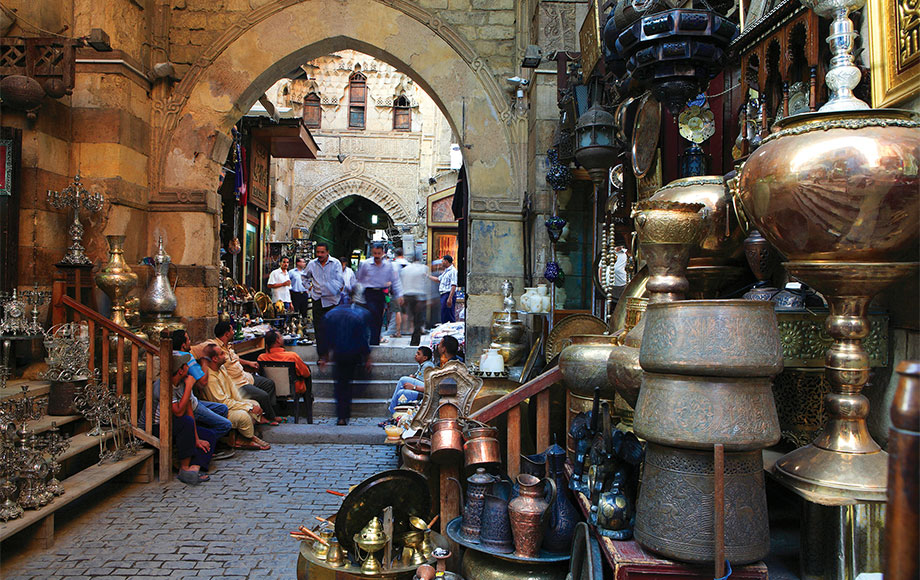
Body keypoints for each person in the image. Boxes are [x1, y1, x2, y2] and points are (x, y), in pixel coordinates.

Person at [197, 320, 279, 424]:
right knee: (263, 395)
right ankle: (270, 417)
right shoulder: (214, 346)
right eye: (232, 330)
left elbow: (234, 358)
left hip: (245, 376)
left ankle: (268, 412)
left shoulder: (229, 346)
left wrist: (248, 363)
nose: (234, 332)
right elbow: (195, 349)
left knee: (269, 384)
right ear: (227, 333)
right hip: (237, 383)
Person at [154, 353, 218, 485]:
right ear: (180, 370)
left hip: (176, 424)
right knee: (185, 423)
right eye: (186, 366)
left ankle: (194, 468)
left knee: (209, 435)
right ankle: (184, 467)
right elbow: (178, 412)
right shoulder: (163, 386)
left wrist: (196, 439)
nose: (189, 367)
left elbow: (189, 412)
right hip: (157, 426)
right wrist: (189, 386)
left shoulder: (183, 383)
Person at [170, 330, 233, 451]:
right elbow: (202, 382)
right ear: (183, 345)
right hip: (190, 403)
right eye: (188, 340)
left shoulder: (171, 354)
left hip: (190, 400)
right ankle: (206, 443)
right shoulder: (186, 358)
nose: (190, 342)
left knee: (222, 409)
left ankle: (211, 440)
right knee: (225, 425)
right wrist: (204, 362)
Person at [199, 348, 271, 450]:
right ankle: (247, 439)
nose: (225, 355)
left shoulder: (221, 368)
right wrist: (248, 408)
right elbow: (222, 403)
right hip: (220, 410)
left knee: (255, 404)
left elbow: (233, 390)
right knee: (243, 416)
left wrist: (247, 405)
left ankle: (242, 436)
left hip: (231, 403)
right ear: (215, 359)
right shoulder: (211, 378)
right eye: (222, 354)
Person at [324, 284, 372, 425]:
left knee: (340, 384)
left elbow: (327, 337)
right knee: (347, 384)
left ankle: (341, 416)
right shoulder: (360, 314)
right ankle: (345, 413)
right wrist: (367, 356)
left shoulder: (332, 314)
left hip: (339, 353)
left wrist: (325, 354)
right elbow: (363, 338)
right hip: (353, 353)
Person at [257, 330, 313, 419]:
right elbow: (306, 373)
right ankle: (308, 401)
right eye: (281, 336)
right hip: (293, 389)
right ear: (277, 340)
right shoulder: (292, 356)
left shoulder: (261, 358)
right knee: (307, 372)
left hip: (272, 390)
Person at [356, 242, 403, 345]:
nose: (376, 256)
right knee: (371, 314)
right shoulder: (365, 264)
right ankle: (368, 338)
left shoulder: (388, 266)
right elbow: (359, 279)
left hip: (381, 293)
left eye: (378, 253)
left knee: (379, 317)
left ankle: (375, 340)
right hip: (368, 292)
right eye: (375, 253)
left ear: (383, 253)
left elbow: (395, 280)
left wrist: (399, 294)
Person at [304, 242, 344, 363]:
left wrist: (334, 289)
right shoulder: (312, 264)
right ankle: (322, 355)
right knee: (319, 329)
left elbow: (340, 280)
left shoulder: (335, 263)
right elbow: (304, 277)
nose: (320, 255)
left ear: (327, 252)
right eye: (318, 252)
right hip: (318, 300)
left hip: (332, 300)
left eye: (322, 252)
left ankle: (336, 353)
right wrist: (309, 288)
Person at [387, 346, 435, 414]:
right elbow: (418, 378)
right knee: (400, 392)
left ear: (425, 358)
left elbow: (423, 382)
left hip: (427, 388)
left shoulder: (427, 365)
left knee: (403, 380)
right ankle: (396, 413)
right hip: (423, 385)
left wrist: (413, 386)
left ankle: (392, 411)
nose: (416, 355)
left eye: (418, 354)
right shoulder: (422, 365)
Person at [400, 256, 430, 346]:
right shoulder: (424, 268)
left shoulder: (405, 270)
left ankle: (409, 332)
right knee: (418, 319)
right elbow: (426, 283)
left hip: (407, 296)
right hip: (419, 297)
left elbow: (401, 283)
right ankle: (415, 339)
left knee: (411, 317)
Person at [430, 254, 457, 324]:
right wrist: (427, 276)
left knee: (449, 314)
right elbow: (439, 279)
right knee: (444, 314)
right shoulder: (446, 271)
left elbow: (453, 285)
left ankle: (450, 331)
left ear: (446, 261)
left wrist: (450, 298)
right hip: (444, 295)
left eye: (442, 261)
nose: (441, 263)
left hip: (448, 294)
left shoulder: (453, 271)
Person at [390, 249, 409, 338]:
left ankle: (397, 331)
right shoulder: (408, 264)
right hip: (407, 290)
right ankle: (405, 329)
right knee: (405, 311)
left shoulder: (393, 265)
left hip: (397, 291)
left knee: (397, 311)